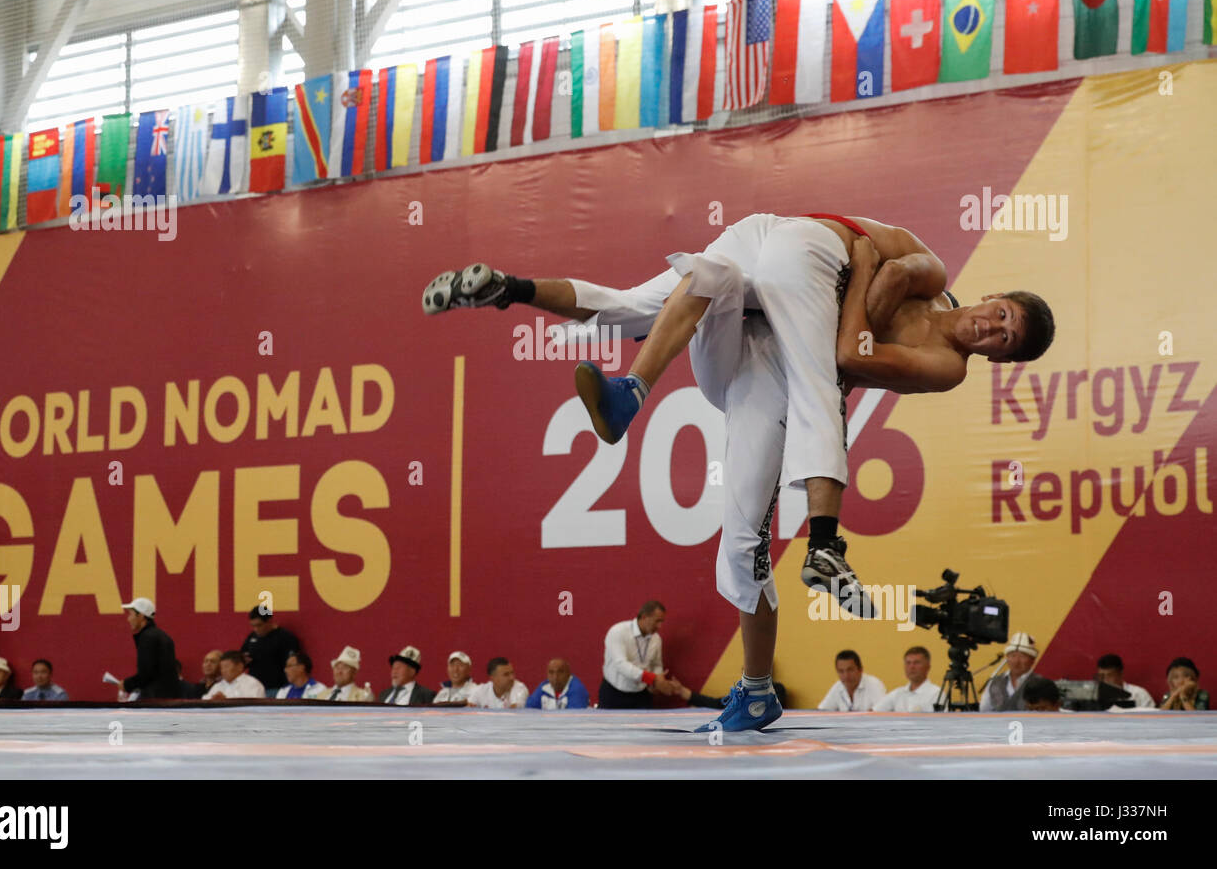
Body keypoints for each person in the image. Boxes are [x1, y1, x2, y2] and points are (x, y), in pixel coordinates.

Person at [425, 214, 1054, 732]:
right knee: (693, 280)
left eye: (1007, 340)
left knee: (749, 532)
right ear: (994, 296)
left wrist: (859, 289)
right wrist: (862, 283)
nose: (994, 330)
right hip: (760, 293)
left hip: (766, 367)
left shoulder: (947, 365)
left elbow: (848, 345)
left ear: (1001, 359)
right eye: (1003, 315)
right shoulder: (935, 276)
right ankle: (516, 292)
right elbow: (883, 266)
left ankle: (764, 673)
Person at [600, 600, 675, 709]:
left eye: (662, 622)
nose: (660, 626)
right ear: (644, 617)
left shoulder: (656, 639)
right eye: (657, 621)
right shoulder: (618, 631)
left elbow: (656, 664)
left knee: (646, 726)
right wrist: (653, 679)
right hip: (614, 693)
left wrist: (657, 682)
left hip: (642, 694)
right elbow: (621, 664)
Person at [116, 597, 179, 700]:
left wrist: (126, 685)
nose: (128, 619)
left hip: (154, 701)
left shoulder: (147, 638)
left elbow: (146, 674)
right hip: (167, 699)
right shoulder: (161, 636)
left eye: (130, 614)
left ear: (140, 616)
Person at [240, 607, 301, 697]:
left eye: (259, 625)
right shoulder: (252, 637)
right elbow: (242, 655)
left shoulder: (285, 637)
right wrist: (243, 660)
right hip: (254, 688)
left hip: (276, 688)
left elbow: (292, 662)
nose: (256, 629)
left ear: (269, 621)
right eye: (253, 626)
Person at [979, 632, 1039, 712]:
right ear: (1007, 658)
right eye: (1013, 656)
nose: (1016, 661)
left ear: (1032, 660)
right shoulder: (994, 682)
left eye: (1022, 656)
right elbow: (984, 711)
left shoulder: (1040, 684)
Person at [873, 646, 941, 712]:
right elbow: (872, 713)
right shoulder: (898, 693)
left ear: (928, 667)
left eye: (917, 663)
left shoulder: (936, 694)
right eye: (908, 663)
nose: (911, 667)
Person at [817, 649, 886, 711]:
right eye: (841, 671)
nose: (846, 676)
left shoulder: (874, 684)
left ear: (860, 670)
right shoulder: (838, 686)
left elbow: (882, 712)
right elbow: (822, 711)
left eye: (850, 670)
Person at [526, 658, 591, 710]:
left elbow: (574, 718)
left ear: (568, 673)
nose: (555, 677)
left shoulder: (577, 690)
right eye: (551, 672)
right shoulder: (544, 687)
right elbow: (529, 710)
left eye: (560, 672)